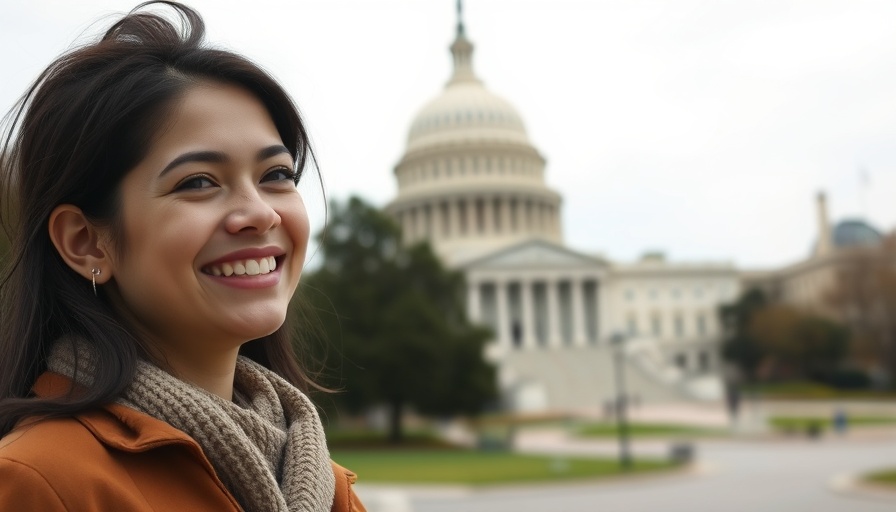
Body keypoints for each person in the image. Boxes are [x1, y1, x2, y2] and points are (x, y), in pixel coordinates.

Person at [0, 2, 365, 511]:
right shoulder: (41, 483)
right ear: (86, 242)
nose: (259, 214)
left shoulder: (323, 486)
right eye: (198, 182)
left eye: (276, 175)